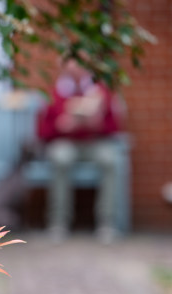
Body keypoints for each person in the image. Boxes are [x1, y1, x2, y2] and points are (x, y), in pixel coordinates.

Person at [37, 57, 125, 243]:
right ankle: (58, 223)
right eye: (72, 64)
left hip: (95, 142)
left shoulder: (101, 91)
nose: (76, 69)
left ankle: (107, 223)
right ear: (64, 68)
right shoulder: (55, 93)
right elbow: (42, 130)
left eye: (81, 64)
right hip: (65, 142)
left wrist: (97, 124)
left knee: (112, 159)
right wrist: (61, 127)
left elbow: (115, 128)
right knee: (60, 158)